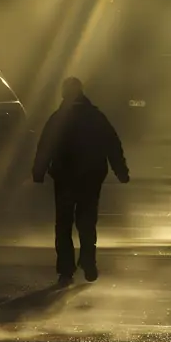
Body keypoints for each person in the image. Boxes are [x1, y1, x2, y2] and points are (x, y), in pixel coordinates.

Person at [32, 77, 130, 286]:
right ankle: (87, 260)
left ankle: (66, 269)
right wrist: (121, 171)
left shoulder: (57, 118)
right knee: (87, 220)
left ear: (64, 94)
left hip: (64, 176)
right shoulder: (96, 117)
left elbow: (45, 146)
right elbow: (112, 143)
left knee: (64, 223)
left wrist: (39, 172)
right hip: (91, 176)